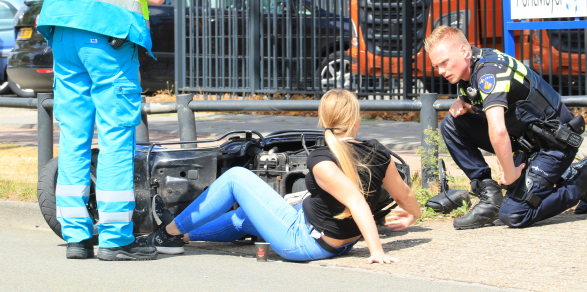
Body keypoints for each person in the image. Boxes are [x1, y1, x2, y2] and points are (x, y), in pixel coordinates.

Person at [36, 0, 167, 260]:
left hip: (63, 32)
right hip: (109, 36)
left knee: (74, 133)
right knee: (115, 132)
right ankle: (114, 238)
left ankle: (76, 237)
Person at [135, 89, 421, 263]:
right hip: (330, 237)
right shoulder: (377, 151)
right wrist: (414, 214)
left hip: (305, 241)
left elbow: (357, 202)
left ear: (323, 120)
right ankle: (182, 235)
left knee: (236, 177)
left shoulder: (322, 159)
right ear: (357, 120)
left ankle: (167, 233)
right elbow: (404, 195)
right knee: (244, 216)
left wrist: (376, 251)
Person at [424, 25, 587, 229]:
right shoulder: (469, 69)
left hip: (554, 144)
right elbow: (481, 99)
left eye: (444, 62)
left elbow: (498, 129)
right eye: (436, 66)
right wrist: (462, 102)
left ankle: (583, 185)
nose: (441, 71)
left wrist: (510, 172)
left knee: (514, 214)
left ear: (463, 51)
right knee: (452, 124)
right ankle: (490, 198)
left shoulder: (489, 72)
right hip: (526, 142)